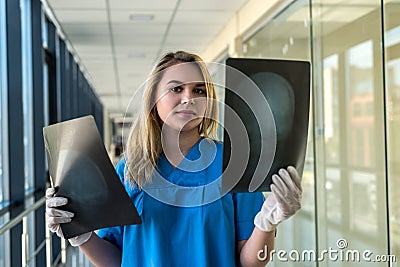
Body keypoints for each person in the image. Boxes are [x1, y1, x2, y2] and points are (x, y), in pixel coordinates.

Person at [46, 51, 302, 267]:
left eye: (198, 90)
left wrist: (266, 223)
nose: (188, 98)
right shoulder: (130, 170)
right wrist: (80, 234)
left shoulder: (234, 163)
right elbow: (116, 259)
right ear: (154, 99)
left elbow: (251, 261)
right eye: (176, 88)